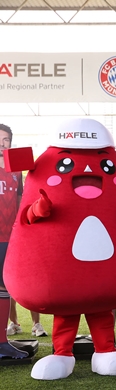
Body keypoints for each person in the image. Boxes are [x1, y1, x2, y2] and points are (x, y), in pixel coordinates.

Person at [0, 123, 29, 359]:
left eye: (6, 140)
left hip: (8, 238)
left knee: (4, 288)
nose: (1, 144)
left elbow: (21, 202)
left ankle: (2, 343)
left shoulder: (16, 170)